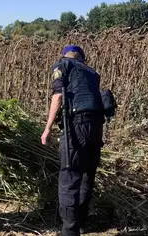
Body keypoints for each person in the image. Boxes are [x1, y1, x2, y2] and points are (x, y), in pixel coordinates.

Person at [41, 45, 105, 236]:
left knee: (69, 177)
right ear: (82, 58)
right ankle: (81, 223)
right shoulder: (92, 72)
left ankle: (69, 231)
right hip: (96, 127)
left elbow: (58, 95)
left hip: (75, 126)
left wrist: (48, 128)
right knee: (87, 175)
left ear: (65, 55)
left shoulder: (62, 65)